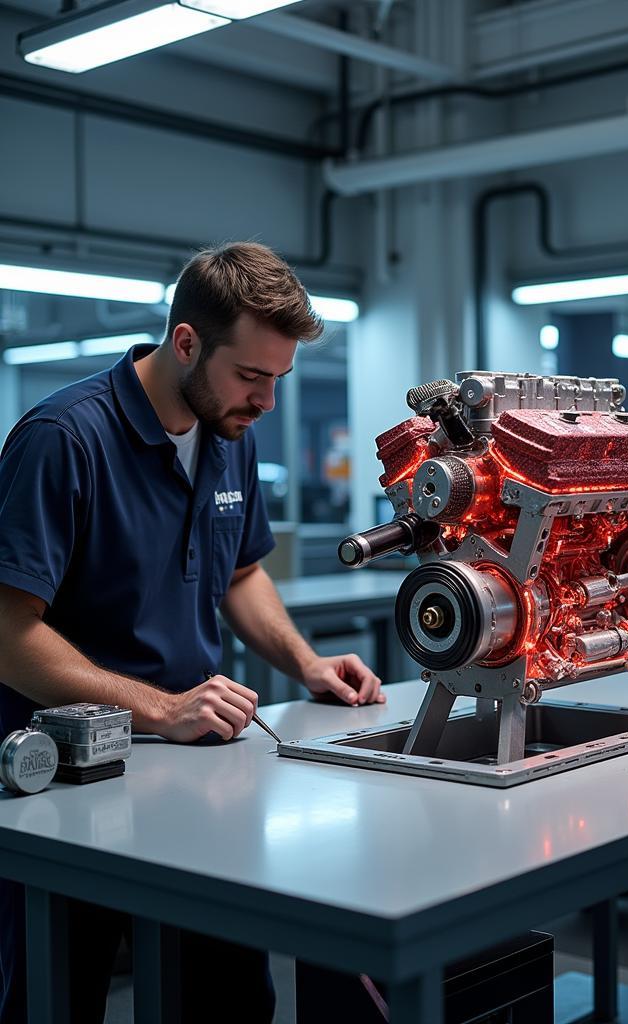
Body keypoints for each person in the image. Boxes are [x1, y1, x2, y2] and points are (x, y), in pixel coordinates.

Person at [0, 242, 384, 1024]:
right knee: (55, 994)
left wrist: (305, 662)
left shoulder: (228, 435)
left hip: (197, 769)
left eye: (277, 379)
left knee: (227, 995)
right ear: (186, 343)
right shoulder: (63, 439)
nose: (267, 402)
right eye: (251, 376)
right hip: (68, 782)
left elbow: (240, 572)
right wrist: (161, 709)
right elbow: (7, 637)